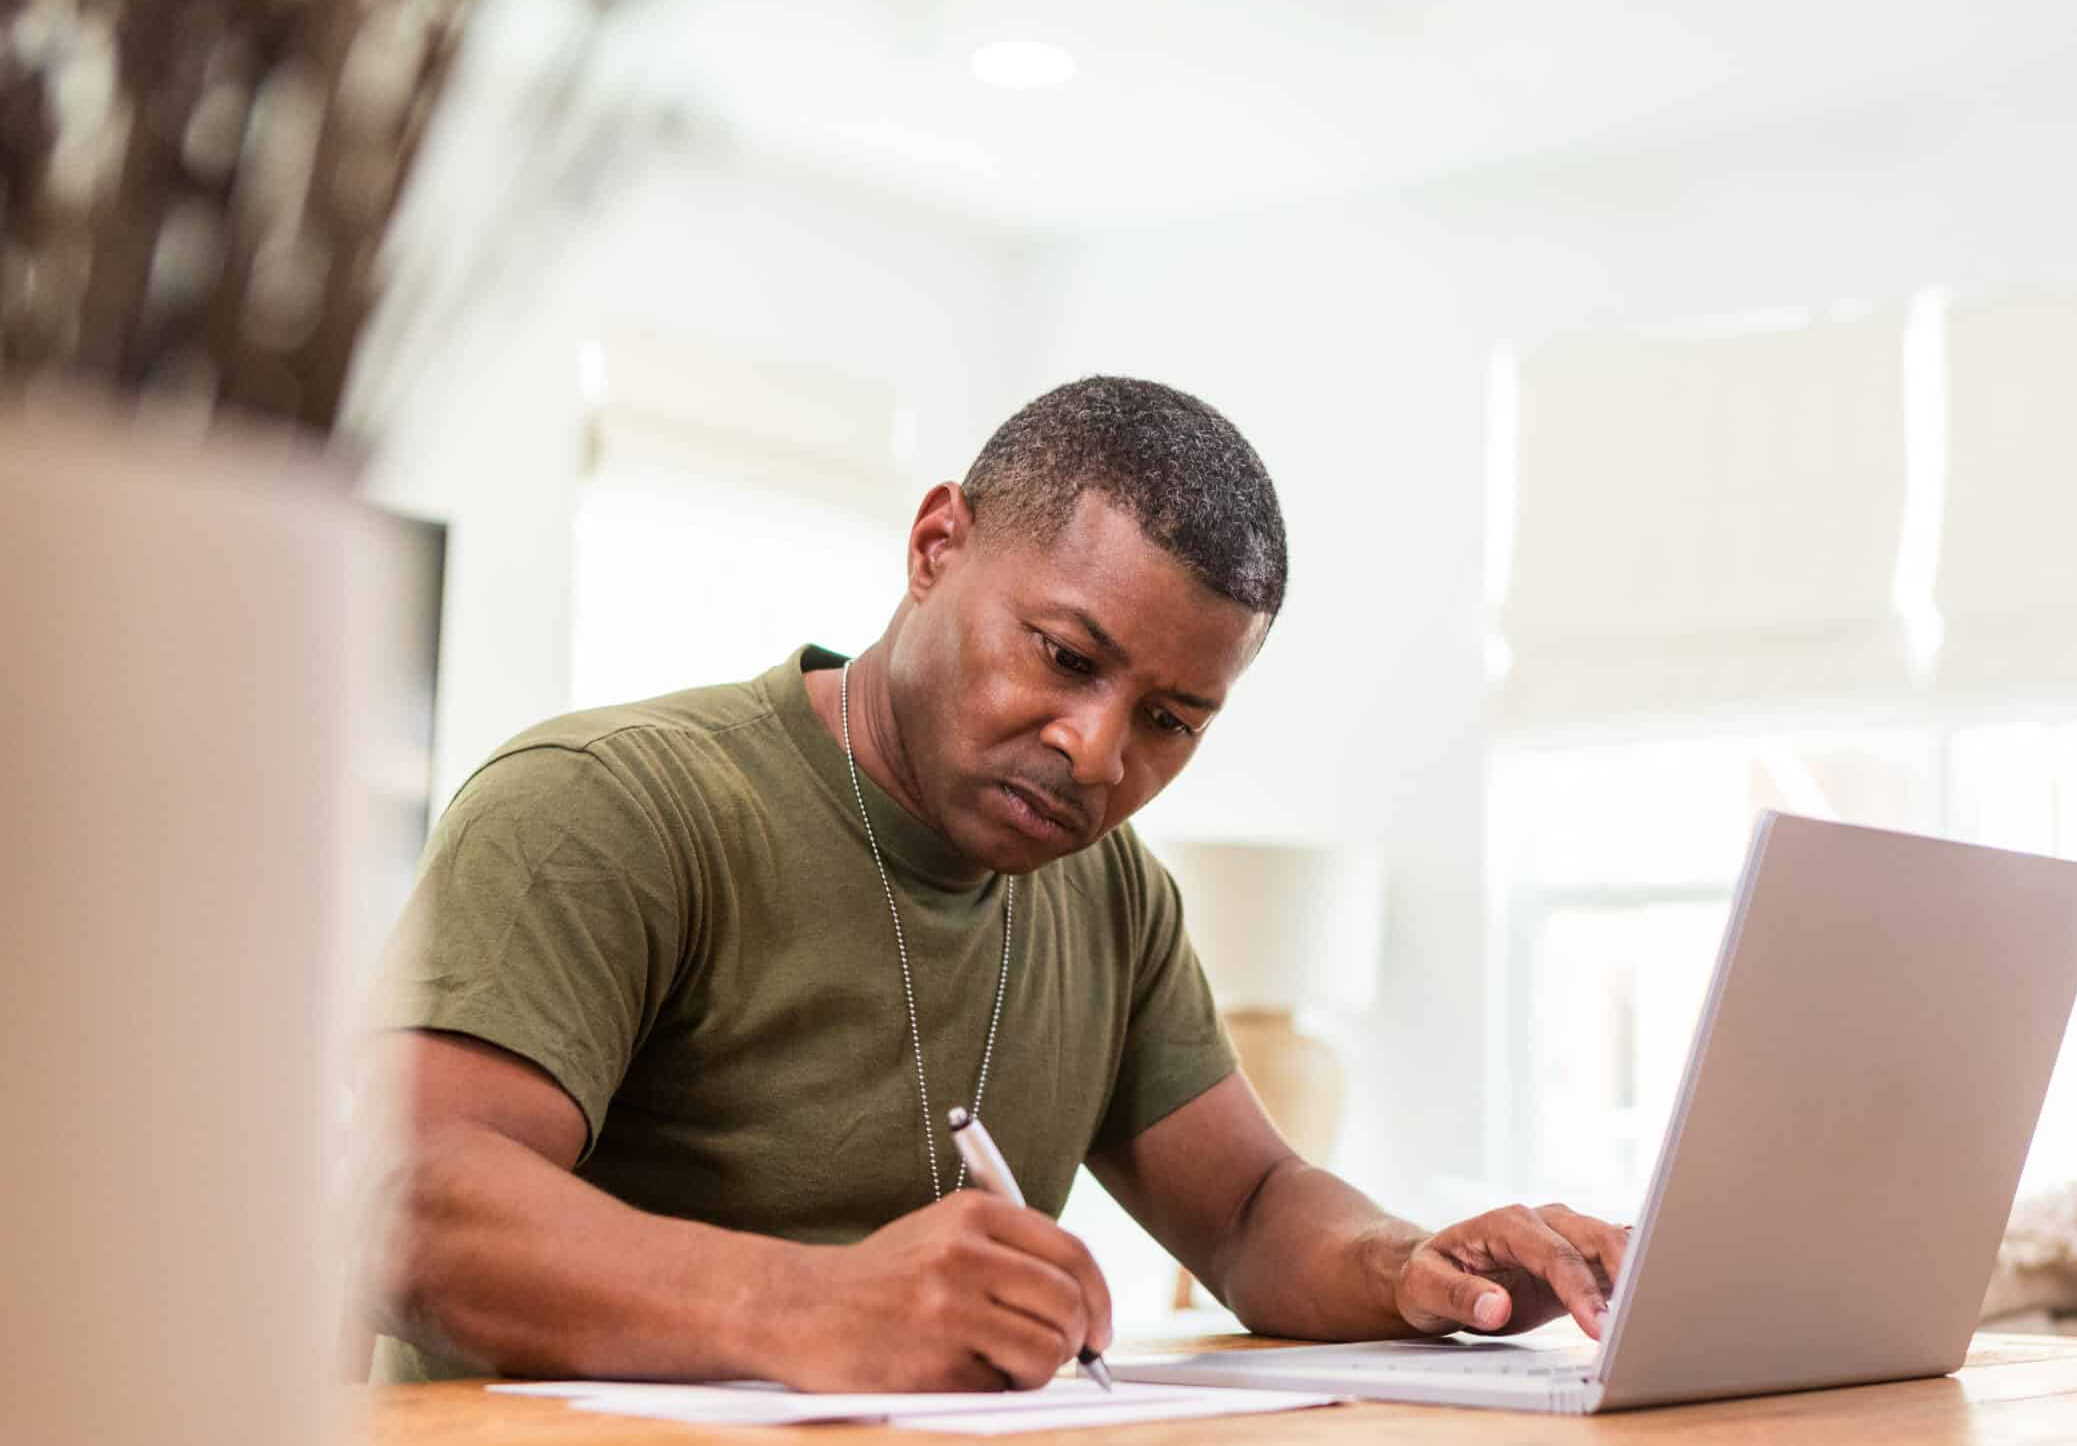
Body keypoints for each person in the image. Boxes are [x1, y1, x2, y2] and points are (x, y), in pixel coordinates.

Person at [363, 375, 1625, 1391]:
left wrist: (1411, 1266)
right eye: (1066, 655)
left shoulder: (1109, 890)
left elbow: (1246, 1210)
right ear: (934, 546)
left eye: (1172, 719)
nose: (1097, 750)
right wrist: (813, 1304)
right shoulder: (610, 804)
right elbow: (408, 1203)